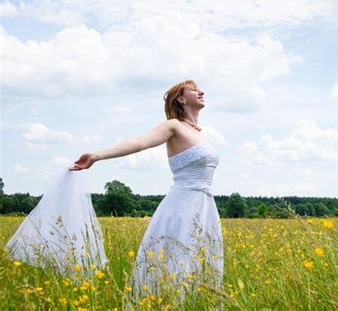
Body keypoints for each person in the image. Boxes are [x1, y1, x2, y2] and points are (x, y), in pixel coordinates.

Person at [69, 79, 224, 306]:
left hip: (205, 207)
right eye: (194, 89)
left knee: (201, 265)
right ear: (181, 98)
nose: (201, 92)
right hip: (181, 207)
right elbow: (140, 142)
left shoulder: (200, 134)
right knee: (176, 263)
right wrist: (98, 155)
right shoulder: (173, 126)